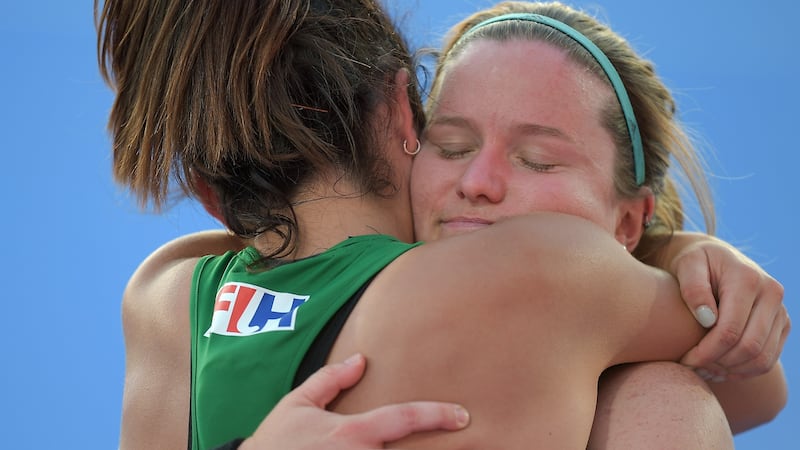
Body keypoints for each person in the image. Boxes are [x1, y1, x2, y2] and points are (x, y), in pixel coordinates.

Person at [94, 1, 787, 449]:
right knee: (667, 395)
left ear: (209, 193)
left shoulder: (169, 290)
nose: (476, 182)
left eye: (538, 160)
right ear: (405, 116)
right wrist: (679, 252)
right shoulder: (552, 270)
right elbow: (756, 377)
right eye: (450, 146)